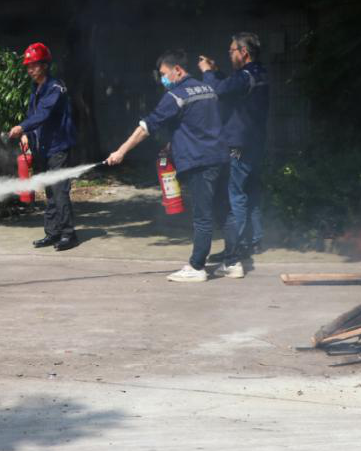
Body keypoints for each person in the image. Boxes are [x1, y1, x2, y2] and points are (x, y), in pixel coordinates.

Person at [106, 50, 226, 282]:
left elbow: (146, 127)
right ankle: (233, 262)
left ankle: (197, 267)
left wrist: (121, 151)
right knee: (224, 210)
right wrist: (174, 143)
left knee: (202, 216)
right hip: (220, 156)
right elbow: (198, 124)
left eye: (164, 74)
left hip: (199, 161)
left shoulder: (176, 95)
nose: (162, 79)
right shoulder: (207, 89)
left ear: (177, 70)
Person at [199, 33, 269, 278]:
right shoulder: (258, 73)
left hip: (238, 145)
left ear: (243, 52)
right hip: (255, 143)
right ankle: (255, 241)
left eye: (231, 51)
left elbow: (218, 91)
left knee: (235, 194)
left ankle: (235, 249)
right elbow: (230, 88)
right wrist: (218, 72)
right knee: (251, 191)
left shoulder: (246, 75)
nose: (229, 54)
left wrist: (208, 72)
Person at [7, 42, 79, 251]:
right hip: (45, 148)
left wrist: (21, 127)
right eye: (28, 66)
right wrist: (27, 135)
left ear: (45, 65)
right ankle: (53, 233)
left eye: (34, 65)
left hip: (59, 147)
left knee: (59, 191)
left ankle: (69, 235)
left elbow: (44, 114)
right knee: (50, 191)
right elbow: (34, 115)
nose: (30, 69)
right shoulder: (36, 88)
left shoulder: (55, 88)